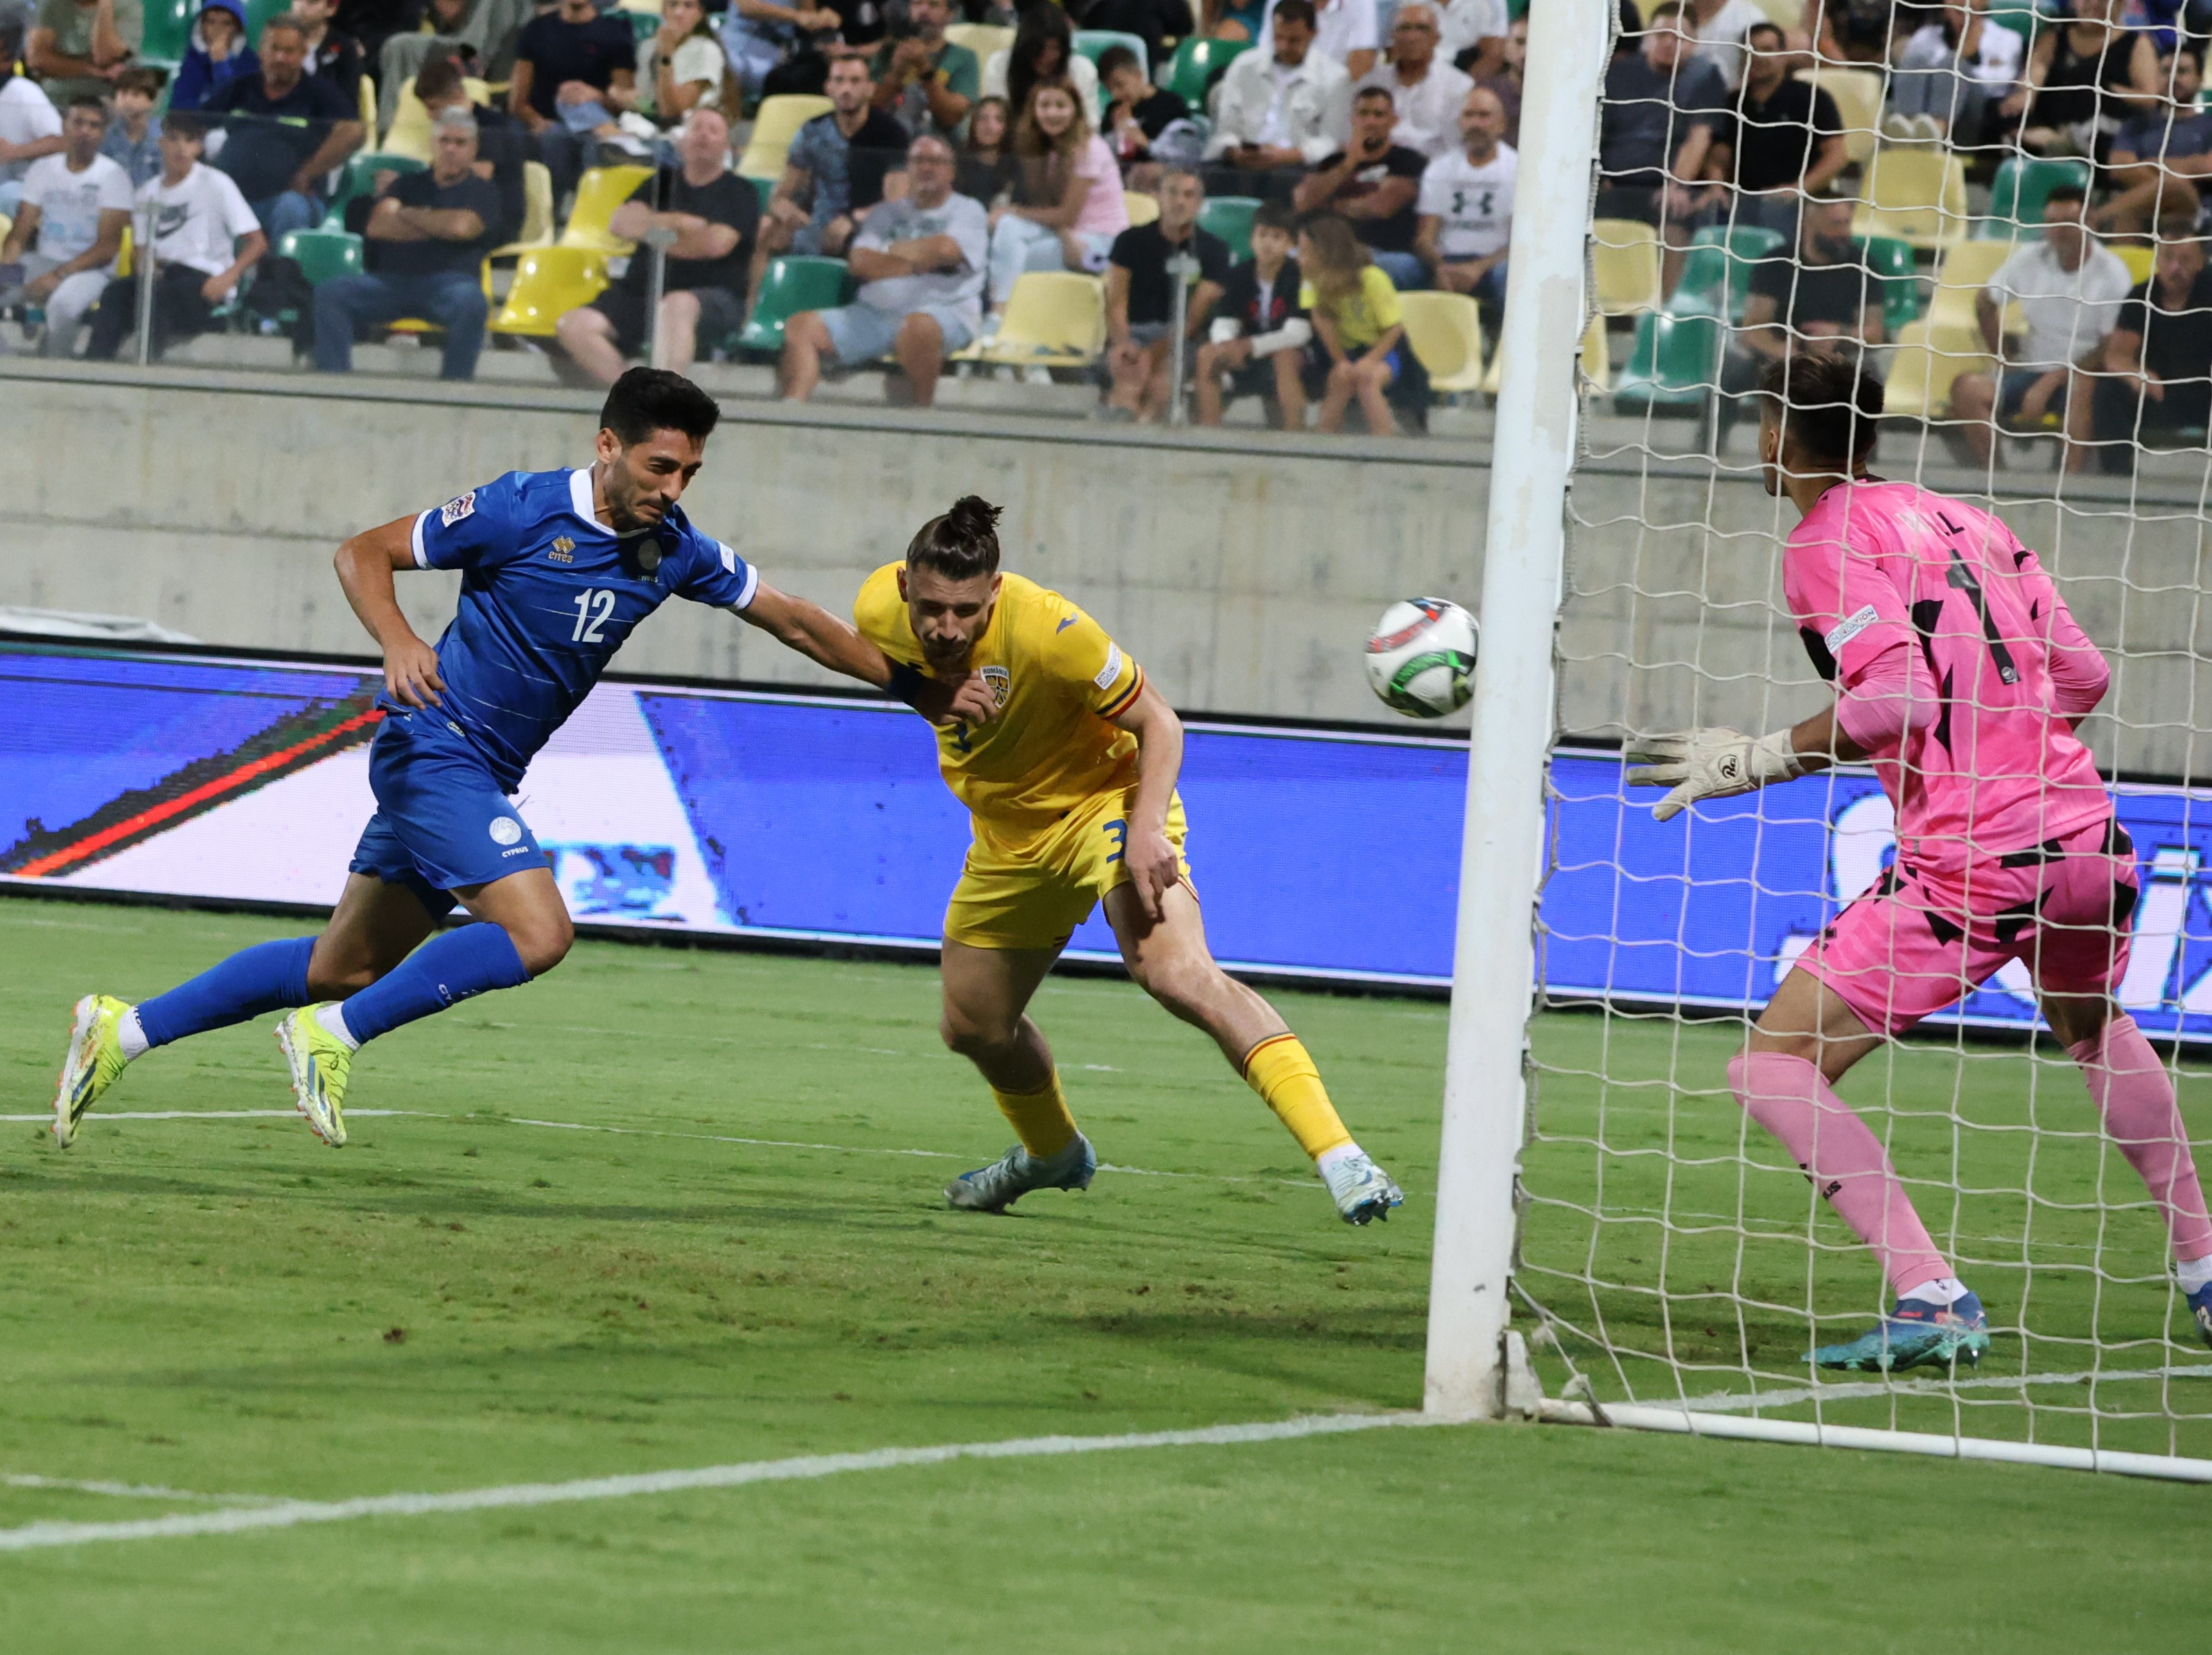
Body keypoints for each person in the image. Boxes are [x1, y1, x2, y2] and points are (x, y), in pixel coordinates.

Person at [55, 369, 999, 1153]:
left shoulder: (674, 551)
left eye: (690, 472)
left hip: (477, 772)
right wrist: (395, 639)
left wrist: (922, 692)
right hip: (435, 749)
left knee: (343, 962)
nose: (673, 488)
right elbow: (361, 554)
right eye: (660, 465)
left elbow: (793, 619)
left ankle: (123, 1029)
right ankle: (327, 1041)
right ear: (607, 446)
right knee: (540, 934)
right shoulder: (515, 510)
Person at [1626, 350, 2212, 1372]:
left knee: (1772, 1062)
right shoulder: (1972, 520)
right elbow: (2084, 674)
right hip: (2086, 834)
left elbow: (1894, 700)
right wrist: (2003, 746)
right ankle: (2207, 1269)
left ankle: (1932, 1297)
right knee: (2089, 1025)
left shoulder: (1822, 538)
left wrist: (1757, 759)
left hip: (1971, 859)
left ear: (1775, 435)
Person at [851, 498, 1406, 1225]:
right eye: (930, 610)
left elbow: (1160, 722)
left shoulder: (1053, 629)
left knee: (1175, 973)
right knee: (973, 1026)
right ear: (903, 591)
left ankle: (1342, 1157)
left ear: (994, 591)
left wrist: (1147, 828)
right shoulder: (874, 609)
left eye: (965, 612)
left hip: (1108, 806)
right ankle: (1052, 1154)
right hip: (1008, 835)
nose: (946, 630)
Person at [779, 131, 988, 408]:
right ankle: (792, 411)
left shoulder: (968, 210)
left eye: (935, 161)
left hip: (945, 310)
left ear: (951, 171)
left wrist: (890, 253)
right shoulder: (885, 214)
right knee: (800, 327)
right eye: (918, 161)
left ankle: (922, 417)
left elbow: (947, 250)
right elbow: (860, 263)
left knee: (918, 327)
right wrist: (919, 261)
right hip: (874, 314)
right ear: (908, 170)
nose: (926, 168)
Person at [556, 108, 757, 384]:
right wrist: (683, 224)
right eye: (697, 128)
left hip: (710, 297)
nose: (704, 136)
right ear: (682, 140)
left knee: (677, 305)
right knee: (573, 326)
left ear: (726, 145)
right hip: (642, 292)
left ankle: (665, 399)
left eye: (713, 131)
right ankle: (637, 396)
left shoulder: (739, 191)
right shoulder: (659, 183)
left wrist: (650, 229)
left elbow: (715, 245)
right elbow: (620, 223)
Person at [1949, 186, 2134, 470]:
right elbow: (1984, 302)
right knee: (1966, 388)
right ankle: (1996, 479)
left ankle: (2068, 488)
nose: (2058, 232)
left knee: (2082, 388)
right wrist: (2005, 356)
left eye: (2068, 225)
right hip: (2028, 371)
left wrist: (2051, 381)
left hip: (2083, 376)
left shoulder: (2113, 272)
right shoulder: (2029, 258)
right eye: (2052, 224)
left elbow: (2109, 348)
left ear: (2091, 222)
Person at [312, 108, 498, 379]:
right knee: (331, 292)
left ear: (473, 149)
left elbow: (462, 228)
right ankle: (335, 384)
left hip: (450, 285)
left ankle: (456, 388)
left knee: (472, 302)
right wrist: (439, 226)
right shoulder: (406, 184)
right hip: (390, 283)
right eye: (444, 141)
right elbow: (378, 226)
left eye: (460, 143)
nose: (450, 149)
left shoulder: (484, 191)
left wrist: (407, 214)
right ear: (432, 145)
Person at [85, 108, 264, 358]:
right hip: (162, 277)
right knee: (115, 294)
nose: (181, 148)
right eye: (174, 139)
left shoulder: (216, 184)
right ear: (162, 143)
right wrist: (146, 267)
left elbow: (256, 242)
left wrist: (228, 277)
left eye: (190, 141)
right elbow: (142, 249)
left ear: (199, 147)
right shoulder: (147, 194)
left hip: (203, 279)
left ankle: (148, 368)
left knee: (158, 299)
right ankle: (96, 366)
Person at [1714, 186, 1881, 441]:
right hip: (1780, 359)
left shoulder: (1863, 265)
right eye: (1836, 225)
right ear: (1809, 223)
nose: (1844, 233)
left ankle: (1865, 463)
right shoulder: (1776, 264)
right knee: (1732, 367)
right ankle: (1711, 449)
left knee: (1869, 376)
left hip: (1839, 360)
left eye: (1847, 224)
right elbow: (1753, 327)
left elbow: (1875, 333)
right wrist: (1784, 352)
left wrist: (1840, 334)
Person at [1595, 0, 1729, 297]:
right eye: (1661, 35)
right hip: (1614, 184)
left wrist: (1677, 185)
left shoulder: (1705, 76)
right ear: (1647, 37)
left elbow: (1699, 137)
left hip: (1664, 187)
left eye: (1679, 37)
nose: (1669, 43)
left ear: (1694, 43)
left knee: (1676, 215)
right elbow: (1598, 132)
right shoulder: (1617, 74)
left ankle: (1665, 311)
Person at [750, 54, 908, 300]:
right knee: (767, 229)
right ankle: (755, 314)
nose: (847, 89)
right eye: (840, 81)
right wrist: (785, 209)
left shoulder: (892, 135)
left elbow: (896, 204)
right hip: (819, 224)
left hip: (871, 227)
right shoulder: (812, 131)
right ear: (828, 88)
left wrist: (853, 221)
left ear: (870, 88)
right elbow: (782, 193)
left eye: (855, 81)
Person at [205, 12, 364, 238]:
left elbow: (354, 131)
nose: (280, 57)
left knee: (291, 207)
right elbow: (194, 123)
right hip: (232, 200)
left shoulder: (319, 92)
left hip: (288, 200)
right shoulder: (242, 87)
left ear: (303, 54)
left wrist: (306, 174)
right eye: (274, 48)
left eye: (289, 52)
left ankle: (281, 272)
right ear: (261, 50)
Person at [984, 76, 1127, 322]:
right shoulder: (1045, 148)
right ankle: (1002, 316)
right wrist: (1063, 234)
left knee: (1013, 258)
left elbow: (1066, 214)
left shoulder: (1090, 148)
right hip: (1067, 234)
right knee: (1007, 232)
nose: (1052, 113)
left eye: (1061, 106)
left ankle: (1001, 321)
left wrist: (1013, 211)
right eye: (1045, 105)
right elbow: (1048, 208)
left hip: (1100, 242)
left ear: (1075, 110)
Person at [2072, 229, 2212, 471]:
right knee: (2109, 390)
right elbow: (2116, 355)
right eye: (2168, 258)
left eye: (2185, 260)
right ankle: (2117, 479)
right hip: (2159, 396)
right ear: (2157, 259)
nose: (2175, 268)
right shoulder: (2142, 296)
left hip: (2204, 396)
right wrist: (2136, 374)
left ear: (2201, 262)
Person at [0, 94, 127, 356]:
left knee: (64, 306)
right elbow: (20, 233)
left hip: (91, 271)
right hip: (42, 261)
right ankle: (10, 363)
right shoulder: (42, 170)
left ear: (103, 133)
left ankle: (55, 366)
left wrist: (58, 276)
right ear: (64, 125)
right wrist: (8, 273)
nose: (85, 131)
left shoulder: (114, 177)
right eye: (78, 122)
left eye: (94, 126)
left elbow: (107, 248)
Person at [1103, 165, 1229, 419]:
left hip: (1183, 339)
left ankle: (1147, 432)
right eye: (1172, 193)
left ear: (1199, 203)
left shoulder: (1214, 250)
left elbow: (1192, 321)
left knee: (1161, 384)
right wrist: (1126, 344)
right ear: (1158, 196)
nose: (1179, 202)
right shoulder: (1130, 241)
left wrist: (1152, 353)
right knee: (1128, 377)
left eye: (1188, 195)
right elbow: (1115, 303)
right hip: (1134, 333)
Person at [1704, 19, 1847, 239]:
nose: (1759, 57)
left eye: (1767, 50)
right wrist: (1716, 186)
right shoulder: (1733, 102)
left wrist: (1798, 188)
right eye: (1752, 50)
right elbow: (1719, 158)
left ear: (1783, 55)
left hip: (1795, 204)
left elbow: (1837, 155)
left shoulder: (1811, 98)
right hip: (1743, 202)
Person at [1203, 0, 1351, 203]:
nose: (1284, 46)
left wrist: (1288, 155)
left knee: (1284, 183)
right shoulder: (1245, 66)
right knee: (1204, 175)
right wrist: (1235, 151)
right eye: (1278, 38)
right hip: (1244, 159)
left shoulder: (1335, 77)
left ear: (1313, 34)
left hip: (1295, 164)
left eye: (1294, 40)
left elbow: (1331, 141)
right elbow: (1227, 125)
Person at [1294, 84, 1429, 289]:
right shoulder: (1334, 162)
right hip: (1333, 250)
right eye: (1363, 114)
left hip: (1389, 253)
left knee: (1378, 267)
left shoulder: (1409, 161)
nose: (1370, 122)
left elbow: (1380, 207)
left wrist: (1329, 204)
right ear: (1353, 118)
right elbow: (1303, 200)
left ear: (1393, 121)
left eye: (1379, 115)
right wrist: (1349, 163)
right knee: (1290, 258)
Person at [507, 0, 638, 205]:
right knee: (555, 137)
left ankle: (591, 212)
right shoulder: (536, 30)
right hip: (546, 123)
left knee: (594, 142)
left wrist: (596, 95)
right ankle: (554, 213)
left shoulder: (614, 34)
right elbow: (517, 101)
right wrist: (537, 122)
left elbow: (623, 101)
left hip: (595, 126)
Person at [1299, 207, 1419, 432]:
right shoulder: (1311, 280)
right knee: (1340, 379)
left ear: (1325, 253)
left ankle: (1384, 448)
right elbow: (1323, 322)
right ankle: (1321, 444)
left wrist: (1371, 359)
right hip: (1347, 349)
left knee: (1368, 381)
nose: (1299, 259)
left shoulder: (1372, 279)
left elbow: (1394, 328)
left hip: (1384, 349)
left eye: (1305, 252)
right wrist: (1341, 360)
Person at [1195, 196, 1309, 427]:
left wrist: (1250, 346)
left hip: (1292, 354)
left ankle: (1295, 438)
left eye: (1277, 237)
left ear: (1291, 245)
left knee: (1285, 357)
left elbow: (1299, 333)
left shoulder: (1299, 277)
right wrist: (1227, 345)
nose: (1268, 243)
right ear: (1252, 239)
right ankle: (1208, 435)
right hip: (1244, 352)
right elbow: (1224, 320)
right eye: (1262, 235)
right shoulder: (1239, 274)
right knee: (1208, 354)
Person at [2001, 0, 2161, 162]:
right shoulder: (2055, 38)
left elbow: (2150, 99)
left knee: (2088, 77)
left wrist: (2106, 88)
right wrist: (2025, 96)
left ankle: (2065, 143)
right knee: (1999, 108)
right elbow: (2035, 71)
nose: (2092, 4)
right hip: (2049, 123)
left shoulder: (2137, 44)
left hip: (2102, 128)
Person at [1414, 82, 1514, 327]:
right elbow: (1425, 237)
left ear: (1501, 125)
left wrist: (1477, 268)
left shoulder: (1519, 169)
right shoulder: (1440, 168)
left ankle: (1507, 352)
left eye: (1484, 116)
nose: (1476, 124)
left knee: (1511, 276)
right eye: (1469, 115)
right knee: (1393, 267)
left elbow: (1523, 242)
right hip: (1446, 260)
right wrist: (1441, 267)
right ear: (1460, 122)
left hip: (1494, 264)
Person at [413, 49, 528, 245]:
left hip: (494, 224)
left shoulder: (493, 128)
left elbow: (475, 182)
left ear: (457, 95)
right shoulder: (450, 131)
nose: (430, 116)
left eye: (434, 107)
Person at [2096, 43, 2212, 234]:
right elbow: (2119, 168)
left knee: (2176, 188)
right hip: (2144, 212)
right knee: (2131, 219)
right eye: (2166, 71)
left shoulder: (2209, 125)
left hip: (2197, 213)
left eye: (2182, 71)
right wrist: (2168, 184)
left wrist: (2150, 164)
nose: (2173, 78)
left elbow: (2208, 167)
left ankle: (2094, 221)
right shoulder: (2137, 124)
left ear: (2199, 80)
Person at [1357, 3, 1471, 161]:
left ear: (1436, 39)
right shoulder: (1373, 81)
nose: (1412, 37)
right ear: (1393, 37)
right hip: (1377, 165)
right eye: (1405, 29)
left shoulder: (1459, 86)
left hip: (1432, 169)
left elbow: (1457, 145)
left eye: (1422, 29)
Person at [870, 0, 976, 143]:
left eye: (933, 5)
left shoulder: (963, 57)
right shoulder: (887, 52)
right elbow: (868, 108)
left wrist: (925, 70)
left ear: (951, 14)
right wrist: (896, 74)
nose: (924, 10)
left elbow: (953, 116)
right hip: (888, 147)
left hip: (942, 148)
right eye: (917, 4)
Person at [982, 4, 1100, 130]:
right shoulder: (1000, 64)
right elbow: (995, 119)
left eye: (1055, 49)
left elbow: (1090, 126)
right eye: (1039, 49)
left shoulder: (1082, 70)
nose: (1047, 57)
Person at [720, 0, 843, 105]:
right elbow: (746, 7)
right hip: (737, 44)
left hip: (778, 53)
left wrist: (822, 19)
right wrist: (795, 16)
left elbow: (807, 15)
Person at [0, 19, 65, 216]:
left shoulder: (24, 92)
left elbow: (62, 142)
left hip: (19, 188)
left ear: (6, 57)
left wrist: (15, 152)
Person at [1098, 42, 1188, 175]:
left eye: (1120, 85)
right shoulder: (1113, 109)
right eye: (1110, 89)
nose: (1115, 94)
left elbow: (1183, 153)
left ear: (1139, 75)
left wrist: (1145, 143)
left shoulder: (1172, 104)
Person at [26, 0, 139, 107]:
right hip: (55, 98)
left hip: (107, 100)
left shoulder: (128, 6)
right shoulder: (51, 4)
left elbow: (104, 56)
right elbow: (36, 60)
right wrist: (91, 70)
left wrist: (105, 4)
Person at [635, 0, 725, 130]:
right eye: (673, 5)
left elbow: (671, 112)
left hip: (690, 130)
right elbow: (642, 98)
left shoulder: (706, 50)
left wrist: (667, 57)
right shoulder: (648, 47)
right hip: (648, 125)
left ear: (700, 14)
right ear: (664, 11)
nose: (679, 12)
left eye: (688, 6)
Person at [1254, 0, 1378, 80]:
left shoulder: (1362, 3)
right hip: (1283, 85)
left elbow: (1362, 60)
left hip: (1334, 93)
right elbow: (1266, 52)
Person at [168, 0, 254, 112]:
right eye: (211, 22)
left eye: (226, 23)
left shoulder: (249, 62)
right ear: (201, 25)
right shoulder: (190, 59)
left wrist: (220, 65)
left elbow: (237, 107)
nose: (217, 29)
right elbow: (181, 108)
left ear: (237, 29)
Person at [98, 60, 161, 185]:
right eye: (123, 94)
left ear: (151, 101)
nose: (127, 100)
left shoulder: (163, 136)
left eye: (135, 95)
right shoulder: (107, 135)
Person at [292, 0, 364, 104]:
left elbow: (347, 102)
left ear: (331, 9)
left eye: (312, 2)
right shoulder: (278, 40)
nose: (301, 8)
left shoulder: (345, 49)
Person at [956, 91, 1017, 204]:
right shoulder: (957, 162)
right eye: (982, 118)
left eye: (999, 119)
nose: (989, 126)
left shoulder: (1017, 164)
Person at [1684, 0, 1763, 88]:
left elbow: (1761, 66)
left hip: (1733, 97)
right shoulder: (1676, 9)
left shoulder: (1750, 16)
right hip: (1676, 95)